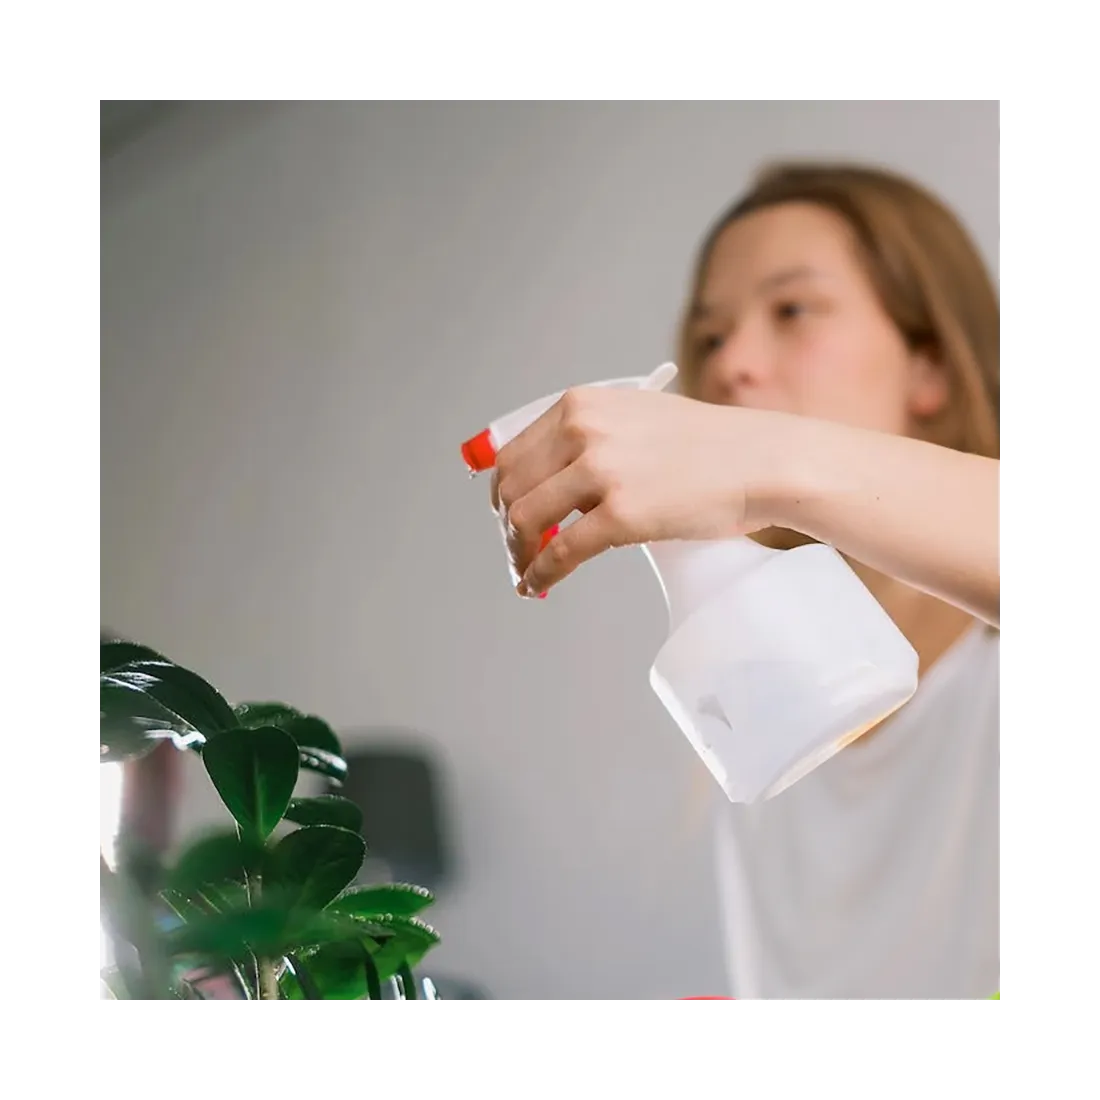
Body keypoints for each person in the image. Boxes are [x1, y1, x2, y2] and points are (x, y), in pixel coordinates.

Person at [491, 162, 999, 999]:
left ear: (930, 366)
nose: (732, 366)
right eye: (711, 337)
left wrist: (766, 456)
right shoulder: (772, 722)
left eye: (792, 311)